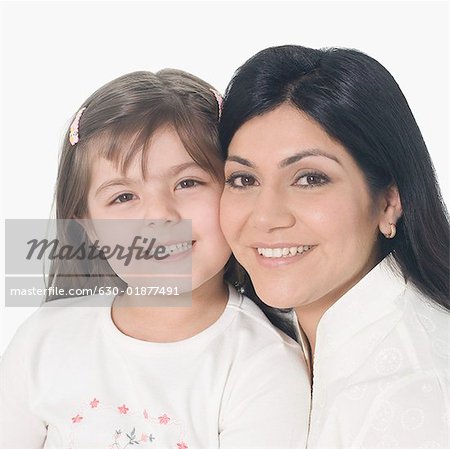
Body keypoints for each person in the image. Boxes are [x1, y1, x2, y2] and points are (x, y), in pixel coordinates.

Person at [0, 70, 310, 448]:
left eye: (188, 183)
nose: (161, 215)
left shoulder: (264, 366)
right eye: (123, 197)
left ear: (234, 188)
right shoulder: (45, 338)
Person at [219, 45, 449, 449]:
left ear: (389, 201)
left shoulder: (410, 397)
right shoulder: (268, 339)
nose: (266, 217)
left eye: (309, 178)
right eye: (243, 180)